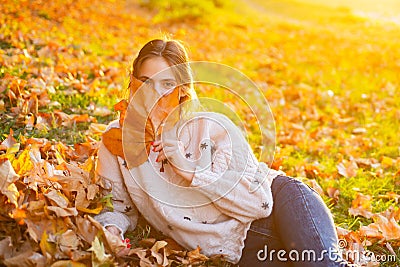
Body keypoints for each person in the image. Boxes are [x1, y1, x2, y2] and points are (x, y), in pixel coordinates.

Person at [94, 38, 345, 266]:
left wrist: (190, 170)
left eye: (167, 84)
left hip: (284, 208)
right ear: (132, 82)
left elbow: (259, 204)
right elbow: (116, 208)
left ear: (182, 89)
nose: (152, 95)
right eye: (145, 82)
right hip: (244, 251)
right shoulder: (117, 140)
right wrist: (112, 232)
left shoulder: (213, 126)